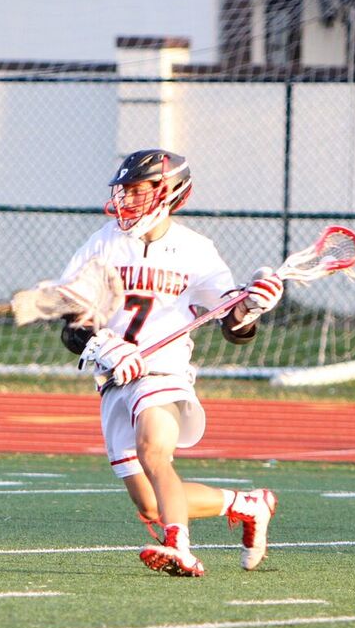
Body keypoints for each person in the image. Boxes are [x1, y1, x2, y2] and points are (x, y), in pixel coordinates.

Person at [59, 149, 282, 577]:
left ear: (169, 193)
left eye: (138, 190)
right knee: (149, 503)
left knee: (153, 452)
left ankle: (179, 546)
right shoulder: (102, 243)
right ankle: (248, 504)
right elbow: (72, 327)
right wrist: (105, 345)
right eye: (124, 190)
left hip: (163, 372)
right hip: (115, 380)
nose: (127, 199)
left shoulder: (196, 251)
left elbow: (233, 327)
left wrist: (250, 308)